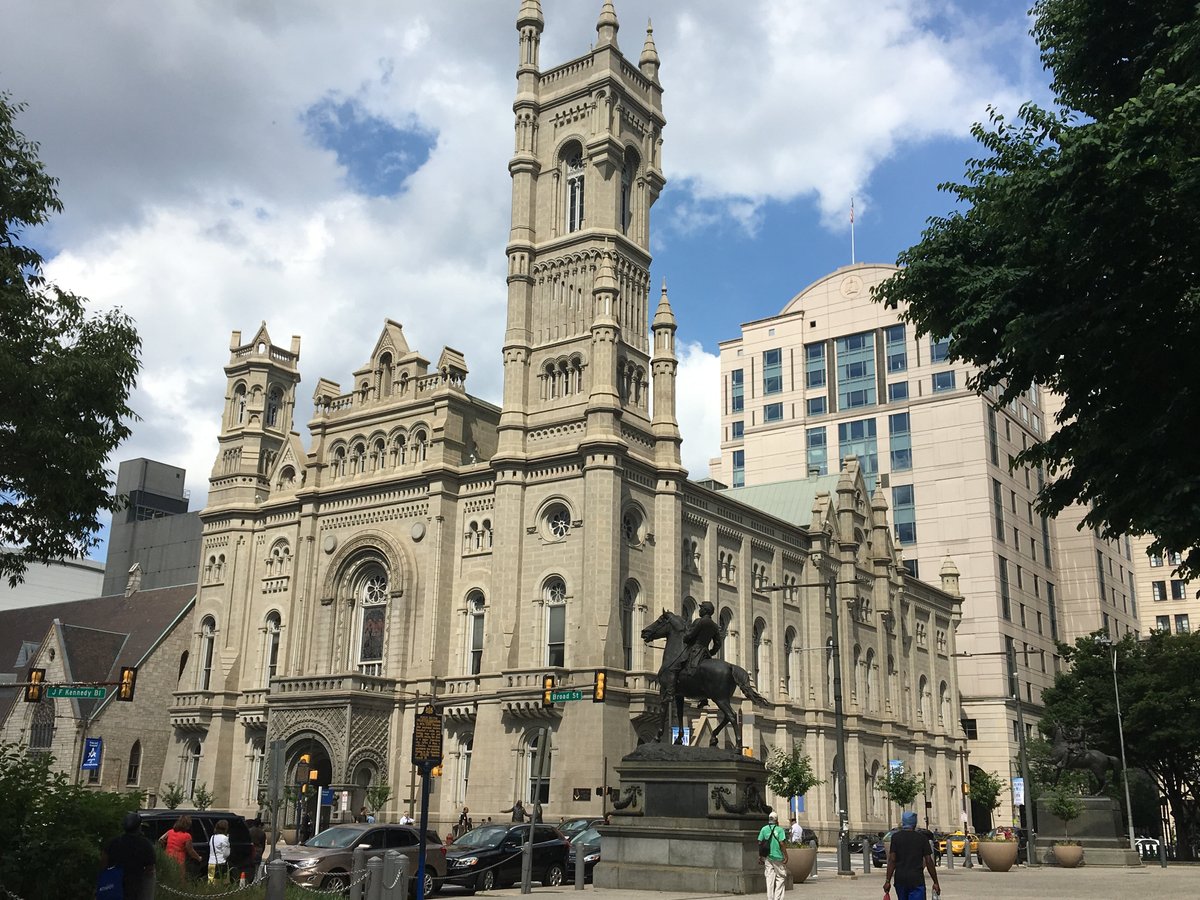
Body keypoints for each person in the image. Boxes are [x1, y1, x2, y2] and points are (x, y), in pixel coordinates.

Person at [662, 600, 721, 702]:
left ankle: (670, 693)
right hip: (705, 653)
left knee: (674, 667)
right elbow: (718, 644)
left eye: (701, 608)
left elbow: (690, 635)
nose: (700, 610)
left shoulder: (700, 621)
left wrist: (686, 637)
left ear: (705, 610)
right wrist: (711, 652)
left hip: (694, 651)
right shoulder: (714, 626)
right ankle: (703, 699)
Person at [884, 811, 942, 900]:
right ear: (914, 824)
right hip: (916, 879)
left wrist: (888, 881)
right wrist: (935, 882)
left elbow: (892, 860)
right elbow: (929, 861)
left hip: (900, 879)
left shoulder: (896, 837)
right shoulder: (922, 838)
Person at [101, 811, 156, 900]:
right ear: (139, 827)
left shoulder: (113, 842)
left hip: (113, 883)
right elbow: (150, 869)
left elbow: (104, 861)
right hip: (134, 886)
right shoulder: (146, 844)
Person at [757, 810, 788, 900]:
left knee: (769, 878)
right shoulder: (780, 830)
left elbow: (760, 842)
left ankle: (770, 898)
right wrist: (786, 855)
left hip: (767, 857)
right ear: (777, 820)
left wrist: (760, 856)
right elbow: (782, 843)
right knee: (781, 877)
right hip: (777, 856)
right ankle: (777, 898)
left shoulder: (764, 829)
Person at [247, 818, 267, 882]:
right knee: (256, 868)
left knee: (249, 868)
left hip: (250, 850)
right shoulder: (262, 833)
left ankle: (250, 880)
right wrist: (262, 852)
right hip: (258, 851)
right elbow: (263, 844)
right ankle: (255, 880)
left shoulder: (249, 831)